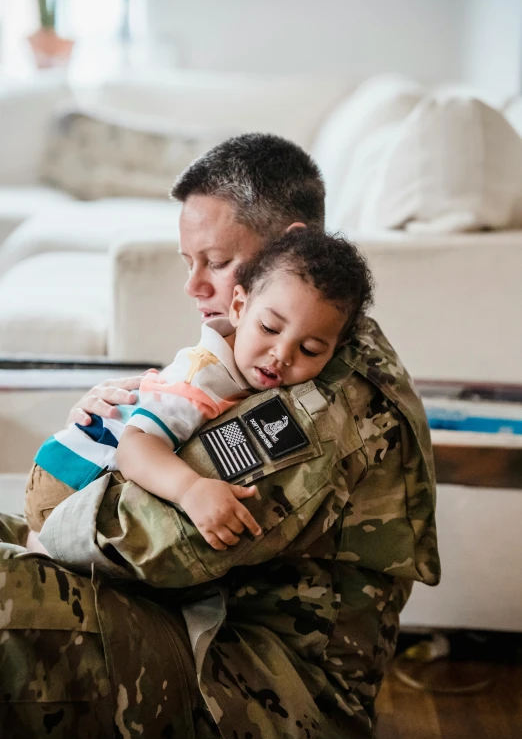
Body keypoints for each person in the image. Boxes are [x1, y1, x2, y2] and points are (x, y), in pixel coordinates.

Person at [0, 133, 440, 739]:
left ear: (288, 245)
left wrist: (71, 472)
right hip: (199, 618)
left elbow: (144, 544)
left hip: (263, 688)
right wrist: (126, 412)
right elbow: (181, 422)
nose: (195, 285)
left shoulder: (314, 403)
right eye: (189, 261)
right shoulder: (300, 340)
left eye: (215, 259)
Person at [25, 229, 373, 554]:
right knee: (55, 550)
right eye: (269, 328)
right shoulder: (202, 377)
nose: (282, 354)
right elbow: (135, 447)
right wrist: (190, 490)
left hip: (80, 470)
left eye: (310, 349)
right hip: (72, 478)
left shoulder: (256, 374)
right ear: (239, 308)